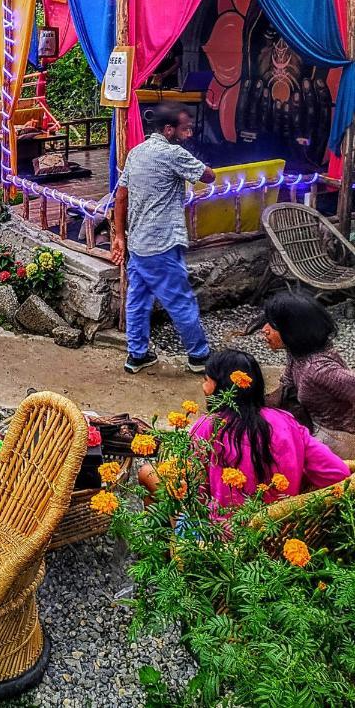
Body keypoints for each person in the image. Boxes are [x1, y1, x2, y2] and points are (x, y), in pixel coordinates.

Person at [139, 349, 350, 510]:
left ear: (219, 387)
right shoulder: (287, 422)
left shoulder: (208, 427)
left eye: (206, 380)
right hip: (278, 532)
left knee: (147, 473)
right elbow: (338, 473)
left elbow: (193, 490)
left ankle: (165, 549)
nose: (203, 387)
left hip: (222, 538)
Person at [111, 103, 215, 375]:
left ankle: (137, 355)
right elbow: (209, 176)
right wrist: (201, 163)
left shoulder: (135, 153)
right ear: (168, 130)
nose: (189, 133)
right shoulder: (173, 154)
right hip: (162, 244)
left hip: (138, 243)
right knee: (180, 300)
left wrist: (119, 236)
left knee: (138, 300)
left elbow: (120, 196)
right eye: (184, 128)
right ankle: (199, 356)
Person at [262, 291, 355, 460]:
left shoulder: (318, 370)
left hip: (335, 435)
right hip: (313, 421)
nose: (264, 330)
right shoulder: (298, 351)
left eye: (273, 325)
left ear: (293, 330)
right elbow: (287, 385)